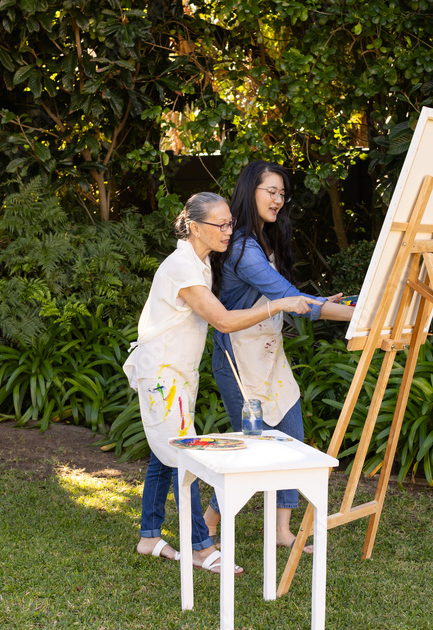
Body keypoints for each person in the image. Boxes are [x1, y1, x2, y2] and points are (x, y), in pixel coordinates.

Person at [123, 191, 320, 574]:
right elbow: (224, 321)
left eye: (231, 222)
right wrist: (278, 303)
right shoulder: (182, 267)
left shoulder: (201, 263)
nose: (230, 230)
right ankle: (200, 546)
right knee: (185, 455)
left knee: (165, 452)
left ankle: (149, 536)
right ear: (195, 227)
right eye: (221, 224)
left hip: (178, 372)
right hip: (162, 374)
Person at [204, 161, 355, 550]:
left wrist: (322, 303)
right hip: (238, 358)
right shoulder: (241, 246)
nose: (278, 199)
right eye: (270, 191)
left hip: (268, 354)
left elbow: (292, 297)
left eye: (282, 193)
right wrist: (353, 312)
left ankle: (280, 530)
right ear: (249, 191)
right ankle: (208, 523)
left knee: (291, 436)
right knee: (252, 449)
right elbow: (285, 295)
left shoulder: (262, 241)